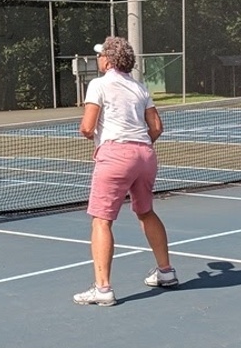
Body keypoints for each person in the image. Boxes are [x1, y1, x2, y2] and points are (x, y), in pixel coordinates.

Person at [73, 36, 177, 306]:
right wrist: (137, 147)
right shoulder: (140, 88)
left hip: (115, 155)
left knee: (102, 221)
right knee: (145, 211)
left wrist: (94, 136)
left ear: (108, 60)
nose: (98, 59)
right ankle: (166, 272)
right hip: (145, 155)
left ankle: (103, 289)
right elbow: (156, 128)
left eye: (100, 55)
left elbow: (87, 127)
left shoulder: (98, 84)